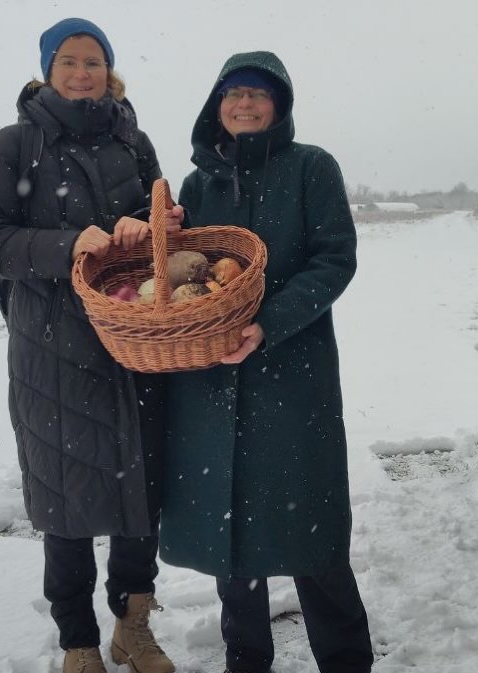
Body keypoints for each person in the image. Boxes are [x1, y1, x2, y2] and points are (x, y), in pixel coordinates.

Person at [0, 18, 175, 673]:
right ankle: (77, 640)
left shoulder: (132, 139)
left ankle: (132, 628)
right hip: (52, 349)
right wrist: (65, 244)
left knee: (140, 495)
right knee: (66, 499)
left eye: (93, 61)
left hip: (134, 339)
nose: (82, 72)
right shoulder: (15, 144)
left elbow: (155, 223)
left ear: (108, 71)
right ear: (48, 70)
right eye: (69, 61)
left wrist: (163, 223)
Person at [157, 51, 374, 673]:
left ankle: (346, 658)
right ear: (217, 105)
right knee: (233, 540)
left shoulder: (311, 168)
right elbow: (185, 277)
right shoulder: (199, 184)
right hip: (212, 383)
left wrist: (268, 324)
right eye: (234, 94)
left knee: (314, 534)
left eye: (258, 94)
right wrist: (170, 236)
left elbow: (335, 259)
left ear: (278, 106)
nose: (245, 104)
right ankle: (245, 659)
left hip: (293, 376)